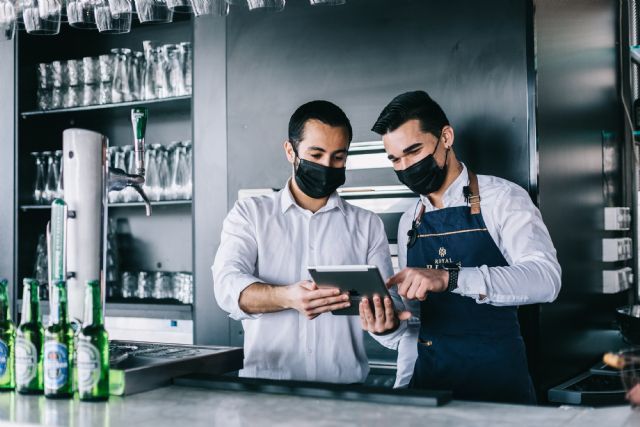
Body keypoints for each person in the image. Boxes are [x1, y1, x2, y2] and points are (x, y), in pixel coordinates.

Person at [360, 90, 562, 404]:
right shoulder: (409, 221)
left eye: (413, 151)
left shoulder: (504, 199)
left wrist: (451, 278)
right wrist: (385, 329)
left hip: (497, 388)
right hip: (429, 387)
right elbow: (413, 324)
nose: (405, 166)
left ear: (446, 136)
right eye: (395, 159)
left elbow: (546, 279)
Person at [213, 100, 394, 383]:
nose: (327, 165)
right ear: (290, 151)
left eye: (338, 157)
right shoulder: (250, 214)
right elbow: (226, 287)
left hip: (345, 394)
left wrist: (384, 324)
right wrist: (286, 297)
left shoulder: (367, 224)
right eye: (316, 154)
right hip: (266, 392)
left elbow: (386, 310)